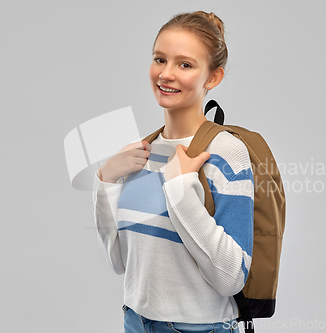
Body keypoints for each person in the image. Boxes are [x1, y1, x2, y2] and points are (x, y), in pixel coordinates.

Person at [93, 10, 254, 333]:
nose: (165, 74)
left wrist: (180, 187)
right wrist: (106, 181)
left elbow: (232, 277)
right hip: (135, 321)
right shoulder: (143, 152)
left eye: (185, 64)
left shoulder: (226, 152)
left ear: (213, 78)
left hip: (199, 328)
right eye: (159, 59)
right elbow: (120, 263)